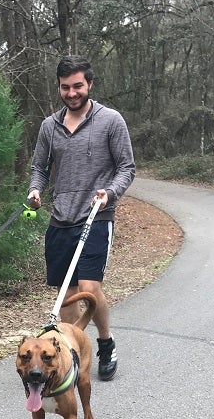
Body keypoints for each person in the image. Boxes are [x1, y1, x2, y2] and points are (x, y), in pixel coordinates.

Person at [27, 55, 136, 381]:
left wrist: (109, 193)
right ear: (59, 88)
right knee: (69, 294)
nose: (72, 93)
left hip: (97, 217)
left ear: (89, 84)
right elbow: (39, 168)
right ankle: (72, 353)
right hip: (61, 217)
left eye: (77, 86)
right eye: (65, 87)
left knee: (89, 287)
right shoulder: (50, 126)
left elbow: (127, 168)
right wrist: (35, 190)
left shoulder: (111, 121)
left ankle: (104, 343)